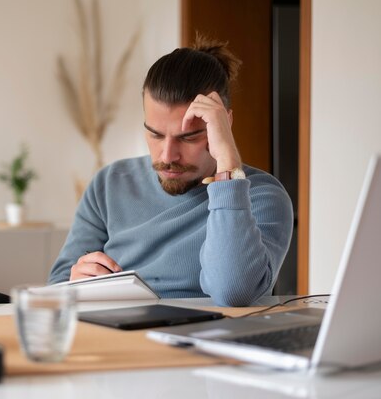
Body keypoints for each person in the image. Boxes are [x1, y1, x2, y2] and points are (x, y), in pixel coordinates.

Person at [47, 36, 294, 307]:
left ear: (223, 125)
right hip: (123, 337)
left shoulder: (263, 196)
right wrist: (75, 281)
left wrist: (228, 167)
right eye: (155, 134)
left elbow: (233, 292)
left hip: (207, 340)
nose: (167, 156)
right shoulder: (110, 183)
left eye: (188, 138)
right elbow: (57, 285)